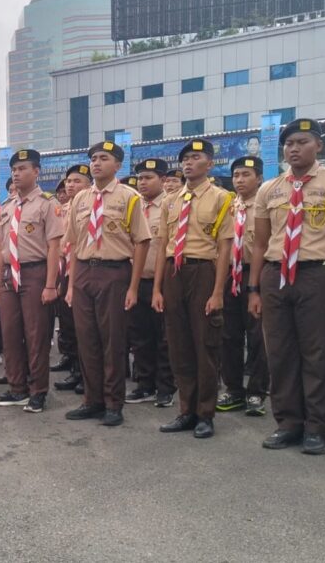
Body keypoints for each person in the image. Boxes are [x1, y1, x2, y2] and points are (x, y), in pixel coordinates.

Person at [249, 119, 325, 455]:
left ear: (318, 146)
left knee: (317, 354)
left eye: (301, 142)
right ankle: (287, 423)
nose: (294, 149)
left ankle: (316, 427)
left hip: (318, 275)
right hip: (275, 275)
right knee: (280, 354)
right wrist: (253, 288)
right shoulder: (270, 189)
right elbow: (259, 243)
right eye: (289, 144)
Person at [62, 142, 150, 426]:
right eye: (93, 159)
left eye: (104, 158)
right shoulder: (80, 199)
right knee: (86, 339)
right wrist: (73, 285)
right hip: (85, 271)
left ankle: (114, 403)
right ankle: (92, 400)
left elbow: (142, 242)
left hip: (115, 272)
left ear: (118, 165)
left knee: (112, 339)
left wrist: (134, 287)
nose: (96, 163)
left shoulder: (129, 197)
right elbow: (74, 244)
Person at [152, 139, 233, 439]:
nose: (188, 162)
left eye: (196, 157)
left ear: (209, 164)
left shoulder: (222, 198)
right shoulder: (170, 200)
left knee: (205, 345)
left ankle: (205, 413)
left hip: (203, 271)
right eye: (185, 158)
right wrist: (158, 288)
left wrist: (218, 291)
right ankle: (186, 410)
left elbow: (225, 247)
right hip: (174, 271)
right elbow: (162, 247)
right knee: (178, 345)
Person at [0, 149, 64, 413]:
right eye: (14, 170)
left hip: (35, 273)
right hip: (10, 275)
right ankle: (17, 388)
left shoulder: (47, 203)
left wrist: (51, 285)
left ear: (36, 171)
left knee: (36, 335)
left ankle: (38, 391)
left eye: (22, 168)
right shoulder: (6, 207)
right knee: (10, 334)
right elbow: (1, 248)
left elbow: (54, 247)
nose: (17, 174)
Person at [217, 157, 270, 417]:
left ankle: (257, 392)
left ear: (258, 178)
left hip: (256, 273)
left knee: (258, 336)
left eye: (246, 174)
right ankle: (234, 389)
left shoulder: (267, 204)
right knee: (229, 335)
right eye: (236, 175)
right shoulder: (228, 205)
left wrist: (256, 285)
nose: (239, 180)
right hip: (229, 274)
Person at [126, 159, 176, 408]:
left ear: (163, 180)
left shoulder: (170, 207)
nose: (142, 183)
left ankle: (165, 387)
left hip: (162, 281)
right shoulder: (132, 206)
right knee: (139, 336)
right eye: (139, 178)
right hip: (135, 281)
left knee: (164, 336)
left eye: (148, 178)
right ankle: (145, 384)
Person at [54, 165, 94, 394]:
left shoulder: (90, 206)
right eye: (68, 181)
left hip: (83, 269)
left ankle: (85, 374)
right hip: (64, 269)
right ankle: (75, 368)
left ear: (88, 184)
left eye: (77, 181)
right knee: (68, 324)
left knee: (83, 327)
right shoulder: (62, 209)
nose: (70, 185)